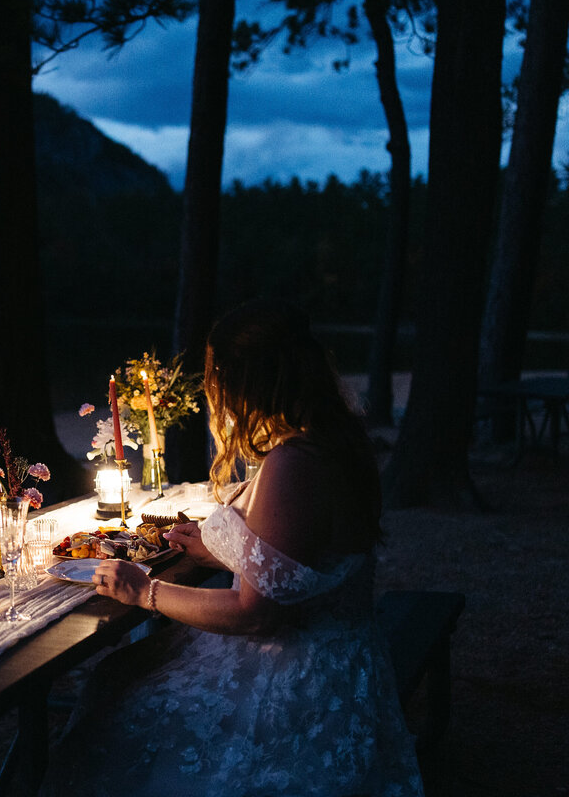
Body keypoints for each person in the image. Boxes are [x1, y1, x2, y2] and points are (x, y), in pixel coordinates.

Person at [40, 301, 424, 796]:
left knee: (122, 697)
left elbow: (257, 615)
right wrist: (226, 554)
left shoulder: (295, 461)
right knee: (124, 671)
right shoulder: (335, 438)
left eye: (217, 378)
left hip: (299, 674)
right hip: (344, 655)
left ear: (244, 381)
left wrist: (143, 591)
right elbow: (305, 562)